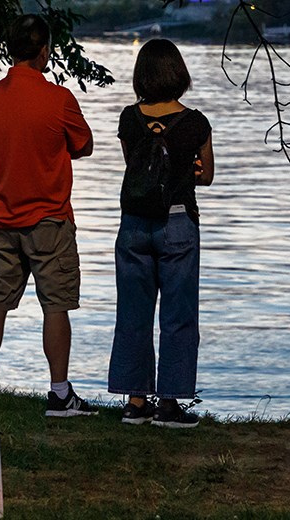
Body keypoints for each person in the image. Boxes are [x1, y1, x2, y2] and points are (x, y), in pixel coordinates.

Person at [0, 14, 97, 418]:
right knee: (55, 304)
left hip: (2, 216)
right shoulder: (59, 99)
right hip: (49, 219)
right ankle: (59, 394)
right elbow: (85, 145)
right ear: (44, 52)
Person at [108, 39, 215, 429]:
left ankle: (135, 402)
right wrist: (189, 169)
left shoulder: (128, 119)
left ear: (142, 76)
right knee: (178, 315)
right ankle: (168, 404)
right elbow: (206, 176)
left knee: (133, 313)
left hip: (134, 224)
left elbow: (136, 172)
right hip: (178, 223)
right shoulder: (196, 122)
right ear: (178, 75)